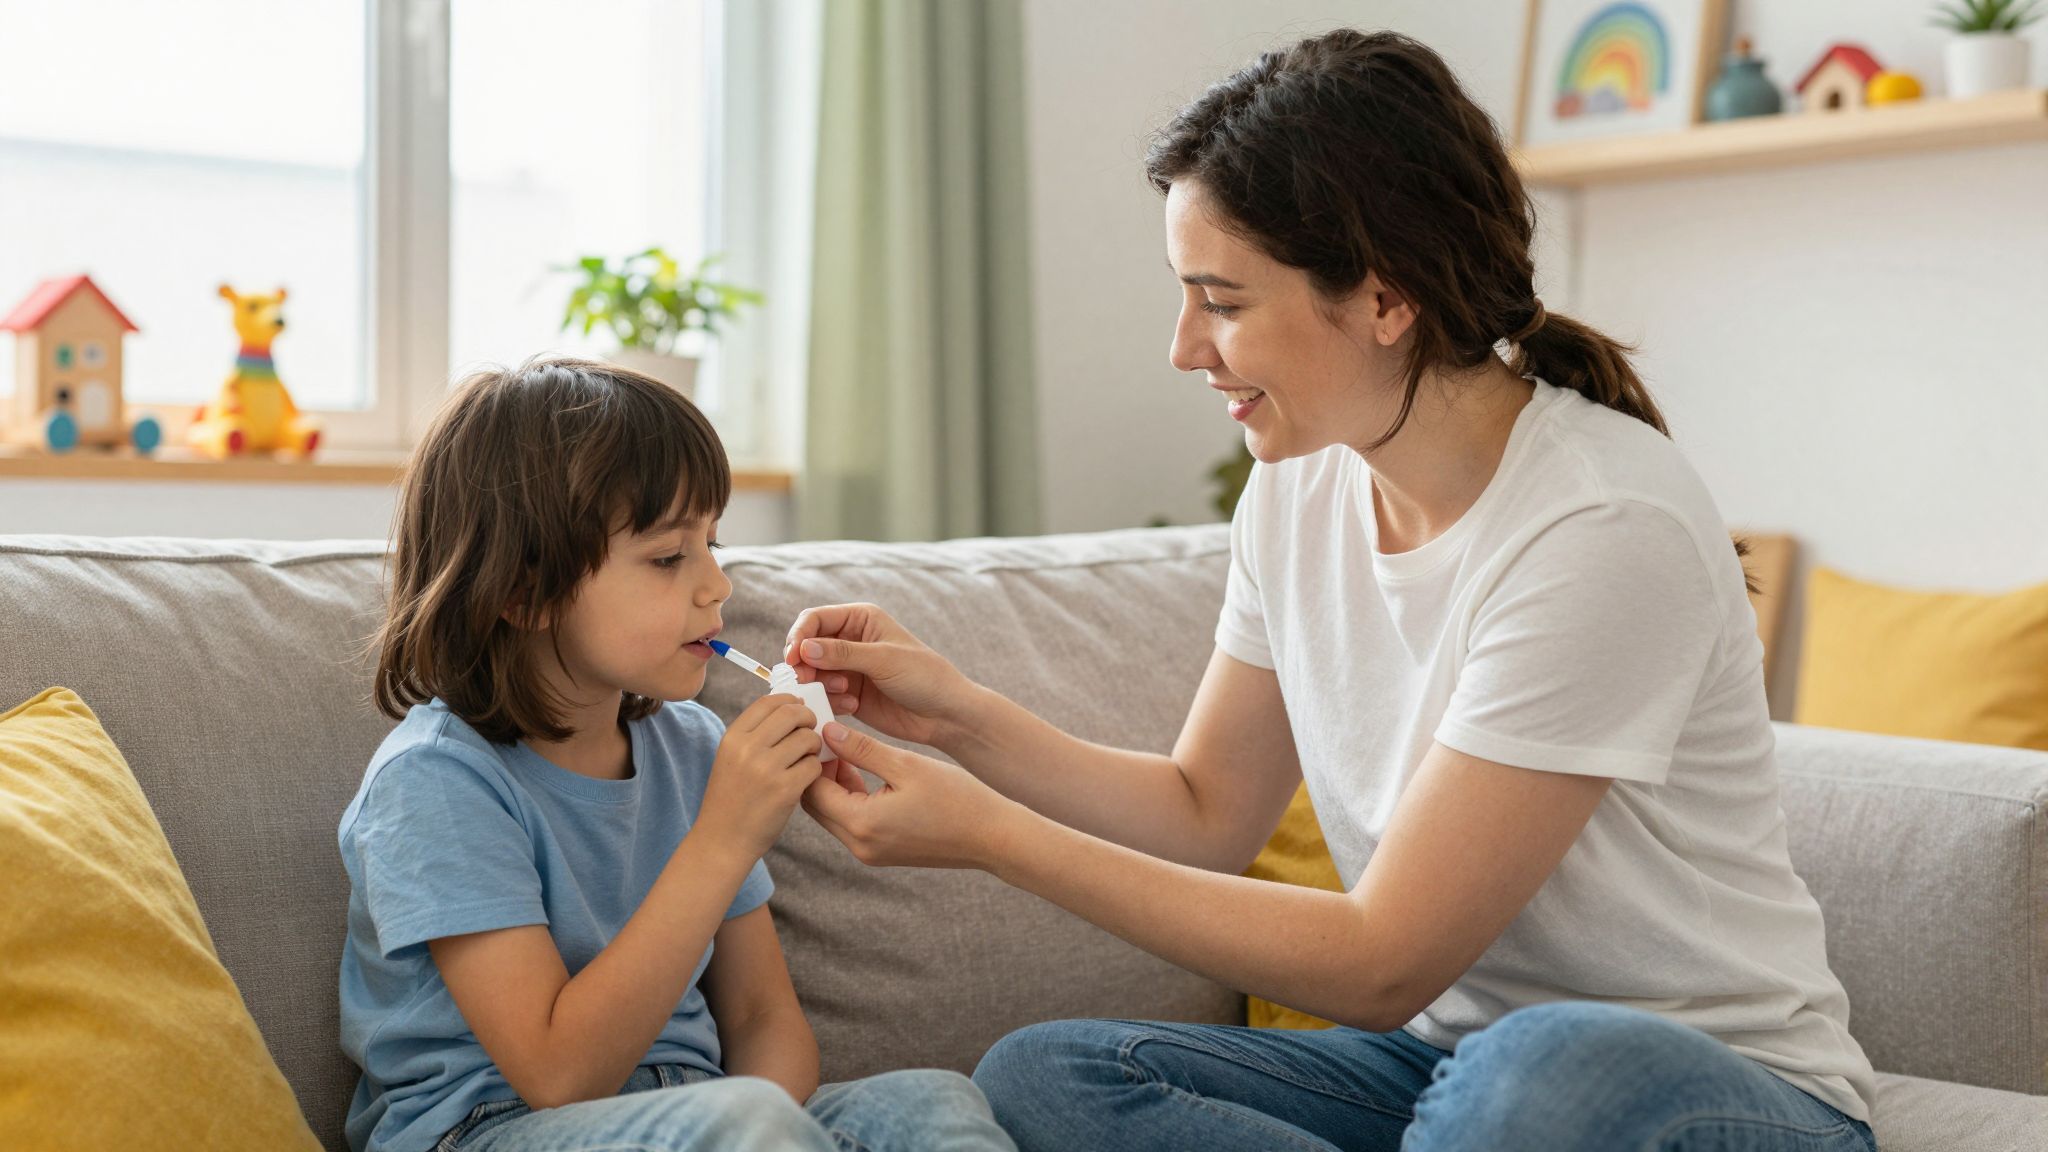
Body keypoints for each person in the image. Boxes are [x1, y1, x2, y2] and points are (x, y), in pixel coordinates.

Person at [788, 30, 1878, 1152]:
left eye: (1221, 302)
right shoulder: (1296, 489)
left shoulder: (1599, 523)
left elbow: (1381, 963)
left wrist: (993, 837)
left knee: (1540, 1066)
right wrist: (959, 718)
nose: (1183, 349)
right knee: (1055, 1075)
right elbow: (1205, 815)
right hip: (1444, 1071)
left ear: (1384, 298)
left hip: (1706, 1091)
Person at [338, 357, 1014, 1152]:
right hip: (492, 1130)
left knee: (929, 1104)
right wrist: (724, 838)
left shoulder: (692, 748)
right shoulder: (435, 782)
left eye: (712, 543)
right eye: (669, 557)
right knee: (745, 1120)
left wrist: (776, 1130)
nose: (716, 585)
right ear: (523, 592)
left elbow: (763, 1020)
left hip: (709, 1117)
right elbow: (557, 1074)